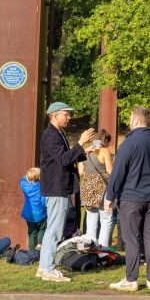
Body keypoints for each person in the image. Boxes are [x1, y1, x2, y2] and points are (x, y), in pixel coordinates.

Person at [104, 106, 150, 292]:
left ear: (135, 121)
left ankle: (131, 279)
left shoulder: (129, 143)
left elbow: (118, 172)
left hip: (131, 197)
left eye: (130, 120)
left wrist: (110, 196)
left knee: (132, 239)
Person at [37, 102, 95, 283]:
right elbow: (63, 161)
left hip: (58, 187)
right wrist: (80, 142)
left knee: (53, 229)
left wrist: (82, 151)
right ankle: (47, 268)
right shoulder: (50, 135)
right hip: (56, 188)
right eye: (66, 114)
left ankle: (43, 267)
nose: (69, 117)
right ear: (54, 115)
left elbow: (64, 158)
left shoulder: (57, 134)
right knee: (54, 230)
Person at [80, 129, 114, 248]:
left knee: (91, 219)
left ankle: (90, 248)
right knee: (106, 218)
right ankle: (103, 249)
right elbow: (110, 171)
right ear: (106, 140)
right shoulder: (104, 151)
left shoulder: (86, 152)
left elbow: (80, 171)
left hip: (88, 186)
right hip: (102, 187)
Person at [20, 167, 47, 249]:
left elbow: (22, 179)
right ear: (39, 178)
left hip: (29, 214)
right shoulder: (40, 187)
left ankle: (31, 249)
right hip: (40, 213)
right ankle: (39, 243)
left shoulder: (24, 185)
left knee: (31, 232)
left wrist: (29, 174)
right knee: (41, 230)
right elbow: (43, 202)